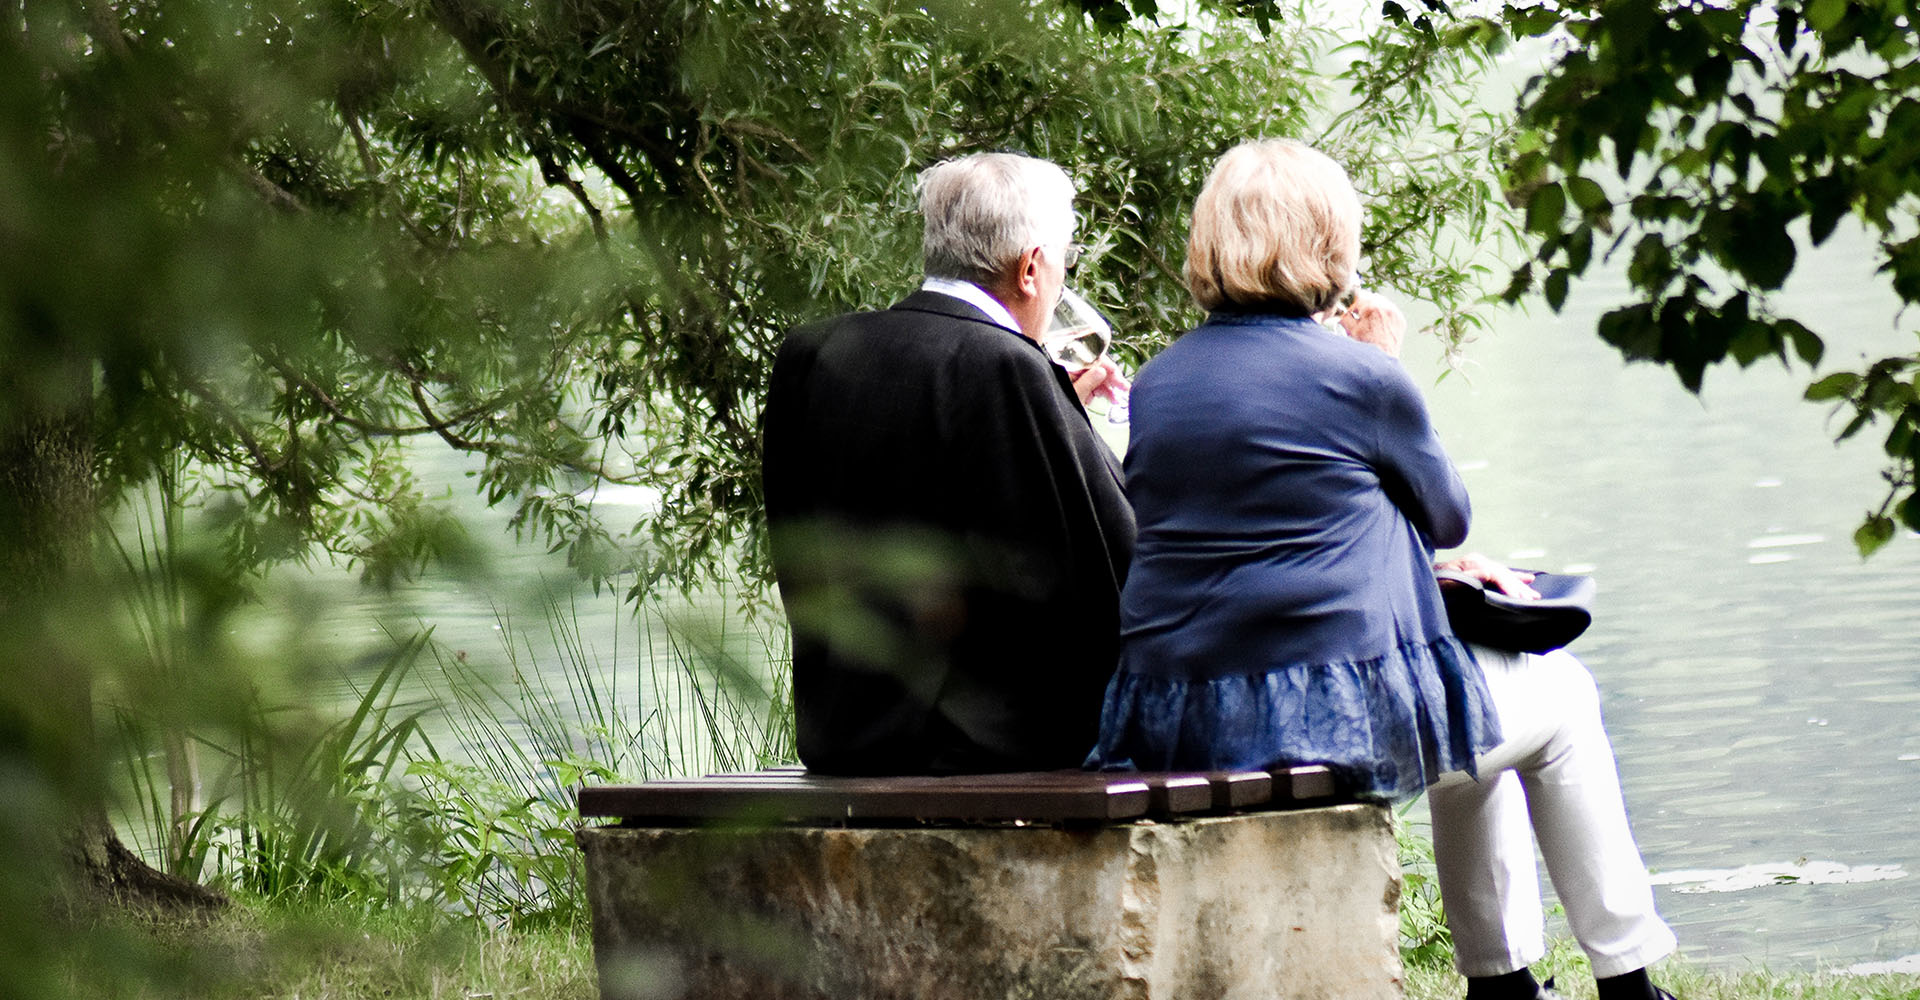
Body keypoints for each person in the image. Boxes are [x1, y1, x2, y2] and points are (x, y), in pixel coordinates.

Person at [1084, 139, 1678, 1000]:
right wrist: (1388, 368)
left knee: (1473, 704)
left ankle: (1504, 982)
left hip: (1179, 709)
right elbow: (1448, 516)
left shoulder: (1161, 384)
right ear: (1328, 244)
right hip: (1319, 716)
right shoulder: (1361, 377)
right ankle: (1626, 978)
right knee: (1561, 698)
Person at [760, 152, 1135, 776]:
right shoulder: (1009, 368)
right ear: (1033, 268)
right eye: (1065, 263)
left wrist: (1059, 407)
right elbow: (1107, 568)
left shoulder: (812, 355)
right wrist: (1094, 434)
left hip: (843, 736)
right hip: (986, 751)